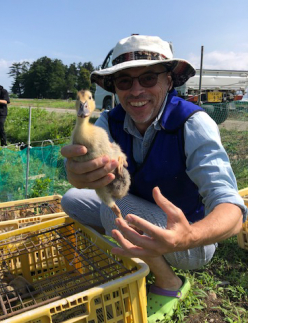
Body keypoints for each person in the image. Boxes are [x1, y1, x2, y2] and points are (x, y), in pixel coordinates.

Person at [60, 35, 247, 323]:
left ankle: (169, 283)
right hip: (143, 212)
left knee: (116, 213)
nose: (136, 91)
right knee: (72, 198)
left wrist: (189, 236)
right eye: (124, 82)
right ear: (116, 89)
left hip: (187, 240)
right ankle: (132, 253)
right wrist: (80, 174)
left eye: (148, 78)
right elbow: (93, 169)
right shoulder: (111, 121)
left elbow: (230, 207)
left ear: (169, 81)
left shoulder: (192, 124)